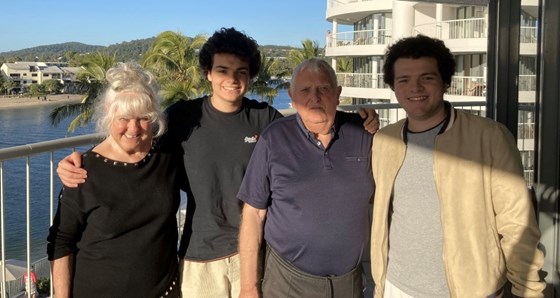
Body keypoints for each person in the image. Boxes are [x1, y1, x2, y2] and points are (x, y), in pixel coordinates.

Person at [56, 28, 379, 297]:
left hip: (252, 254)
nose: (232, 79)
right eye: (222, 70)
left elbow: (310, 123)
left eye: (241, 72)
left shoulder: (263, 118)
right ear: (208, 73)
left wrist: (358, 119)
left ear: (250, 76)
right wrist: (83, 159)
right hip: (200, 256)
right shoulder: (183, 117)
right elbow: (133, 138)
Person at [370, 35, 545, 297]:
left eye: (427, 78)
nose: (415, 88)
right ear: (393, 87)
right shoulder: (384, 140)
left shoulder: (489, 137)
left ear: (445, 81)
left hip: (471, 289)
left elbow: (517, 222)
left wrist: (528, 290)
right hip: (396, 286)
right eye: (403, 80)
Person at [238, 58, 375, 298]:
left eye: (324, 89)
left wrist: (372, 120)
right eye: (305, 91)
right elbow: (253, 213)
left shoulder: (363, 133)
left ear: (338, 94)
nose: (315, 97)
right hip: (289, 283)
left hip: (349, 283)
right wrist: (249, 287)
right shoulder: (274, 139)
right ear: (292, 97)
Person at [47, 62, 182, 297]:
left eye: (143, 118)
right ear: (108, 112)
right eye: (124, 118)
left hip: (165, 291)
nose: (133, 128)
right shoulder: (83, 172)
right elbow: (61, 242)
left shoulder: (167, 156)